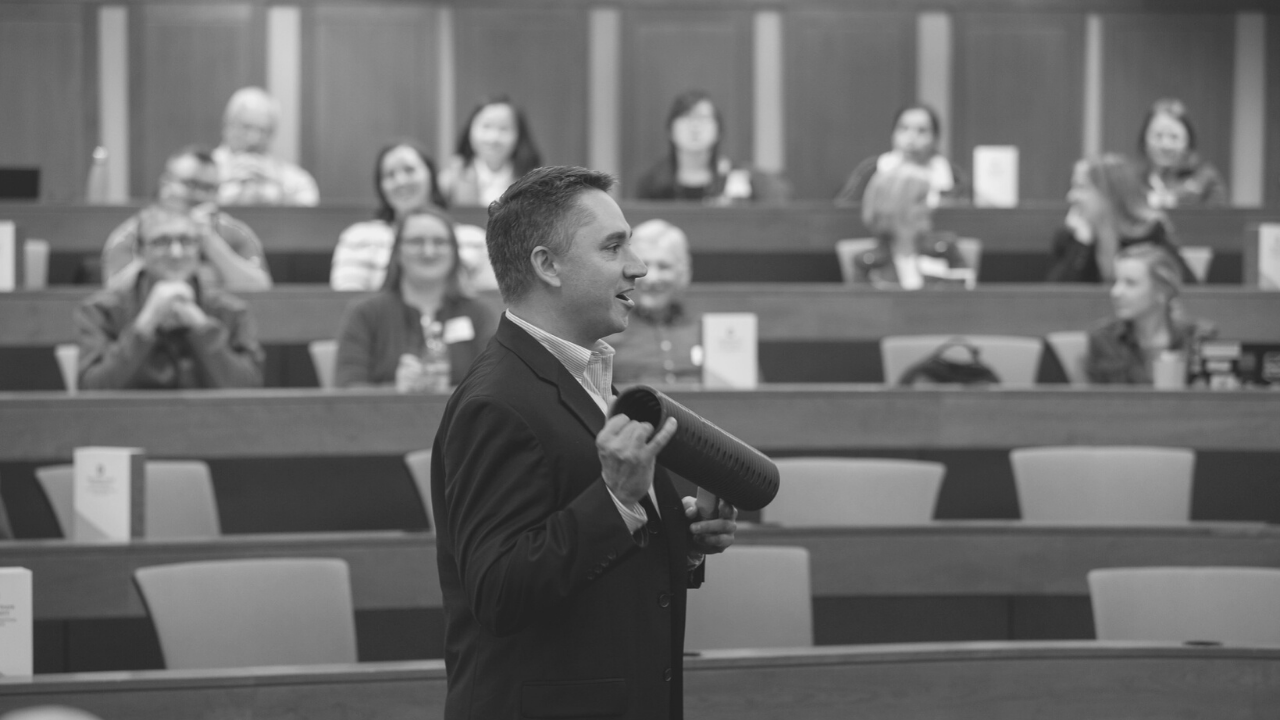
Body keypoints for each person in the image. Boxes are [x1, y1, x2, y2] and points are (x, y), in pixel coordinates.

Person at [430, 166, 737, 718]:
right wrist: (616, 500)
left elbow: (591, 553)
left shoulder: (585, 373)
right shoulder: (494, 402)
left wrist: (680, 542)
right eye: (614, 247)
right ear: (547, 265)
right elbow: (498, 592)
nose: (638, 266)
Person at [76, 205, 264, 390]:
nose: (176, 253)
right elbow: (93, 389)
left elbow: (249, 389)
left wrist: (201, 326)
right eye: (161, 242)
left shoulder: (233, 311)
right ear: (140, 251)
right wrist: (145, 324)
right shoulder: (100, 311)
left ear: (199, 248)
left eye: (186, 241)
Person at [334, 207, 494, 390]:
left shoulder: (479, 314)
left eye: (440, 242)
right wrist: (397, 390)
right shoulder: (366, 313)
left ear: (454, 251)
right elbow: (347, 389)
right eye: (417, 242)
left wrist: (451, 394)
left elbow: (495, 387)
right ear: (397, 251)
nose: (429, 251)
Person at [102, 146, 272, 292]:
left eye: (209, 188)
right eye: (191, 185)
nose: (200, 195)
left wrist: (210, 242)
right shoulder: (131, 233)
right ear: (165, 184)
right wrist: (154, 251)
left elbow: (262, 291)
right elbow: (113, 295)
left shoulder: (234, 232)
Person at [1047, 154, 1195, 284]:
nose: (1071, 196)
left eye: (1080, 187)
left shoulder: (1151, 235)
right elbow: (1053, 297)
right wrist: (1082, 245)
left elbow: (1190, 291)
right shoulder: (1070, 237)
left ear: (1109, 193)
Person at [1086, 244, 1211, 384]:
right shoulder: (1104, 339)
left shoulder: (1197, 337)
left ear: (1162, 291)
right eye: (1115, 281)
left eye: (1130, 283)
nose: (1115, 292)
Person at [330, 141, 447, 291]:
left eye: (409, 170)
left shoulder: (469, 238)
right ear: (381, 187)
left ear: (431, 174)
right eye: (390, 175)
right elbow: (347, 298)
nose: (401, 181)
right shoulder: (358, 238)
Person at [636, 90, 785, 203]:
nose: (695, 127)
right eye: (686, 118)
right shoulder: (651, 182)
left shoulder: (740, 178)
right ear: (670, 130)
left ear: (719, 130)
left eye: (703, 118)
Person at [606, 219, 701, 384]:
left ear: (682, 272)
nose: (652, 278)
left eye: (664, 266)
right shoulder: (608, 333)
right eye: (644, 265)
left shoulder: (702, 331)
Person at [851, 164, 968, 289]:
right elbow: (862, 301)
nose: (929, 207)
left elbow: (966, 295)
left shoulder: (945, 250)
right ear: (890, 206)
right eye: (920, 200)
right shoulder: (867, 263)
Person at [835, 103, 971, 207]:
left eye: (922, 131)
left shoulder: (953, 175)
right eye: (903, 128)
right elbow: (842, 211)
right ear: (893, 134)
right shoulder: (871, 170)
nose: (911, 138)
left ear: (935, 138)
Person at [213, 87, 319, 206]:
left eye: (263, 131)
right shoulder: (201, 168)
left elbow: (309, 206)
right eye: (246, 127)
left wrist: (280, 194)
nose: (254, 139)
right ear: (228, 125)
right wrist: (222, 188)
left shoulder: (294, 180)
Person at [438, 96, 542, 207]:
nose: (493, 138)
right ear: (470, 129)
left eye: (504, 128)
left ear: (519, 134)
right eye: (486, 126)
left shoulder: (533, 181)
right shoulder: (451, 179)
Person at [1139, 98, 1228, 209]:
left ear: (1188, 141)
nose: (1166, 145)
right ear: (1144, 139)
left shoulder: (1206, 180)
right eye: (1158, 135)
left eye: (1174, 137)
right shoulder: (1131, 181)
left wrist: (1175, 200)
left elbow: (1217, 217)